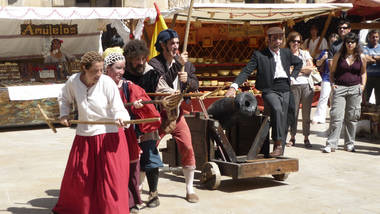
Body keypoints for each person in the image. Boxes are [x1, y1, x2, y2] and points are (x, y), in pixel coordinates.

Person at [52, 51, 131, 214]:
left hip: (108, 136)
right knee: (81, 179)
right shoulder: (73, 81)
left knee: (109, 181)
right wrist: (64, 115)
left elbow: (118, 106)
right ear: (84, 69)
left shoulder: (107, 82)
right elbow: (64, 98)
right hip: (85, 136)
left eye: (101, 70)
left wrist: (120, 117)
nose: (99, 74)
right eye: (95, 71)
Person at [225, 26, 303, 157]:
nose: (277, 42)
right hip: (270, 89)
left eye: (280, 39)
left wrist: (294, 76)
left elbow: (299, 63)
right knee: (277, 110)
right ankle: (278, 144)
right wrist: (234, 86)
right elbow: (246, 71)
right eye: (274, 39)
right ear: (268, 40)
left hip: (285, 87)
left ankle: (280, 151)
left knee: (287, 117)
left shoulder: (286, 53)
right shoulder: (259, 55)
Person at [103, 47, 161, 213]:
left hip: (127, 133)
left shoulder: (129, 86)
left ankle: (133, 200)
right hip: (105, 133)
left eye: (123, 68)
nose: (122, 71)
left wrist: (138, 107)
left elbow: (148, 108)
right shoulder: (99, 86)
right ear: (108, 69)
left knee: (132, 167)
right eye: (118, 68)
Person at [148, 29, 200, 203]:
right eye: (172, 43)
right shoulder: (154, 63)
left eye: (177, 43)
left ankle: (189, 189)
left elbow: (195, 84)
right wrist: (178, 65)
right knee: (149, 147)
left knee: (187, 147)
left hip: (177, 114)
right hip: (159, 114)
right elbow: (160, 83)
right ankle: (142, 187)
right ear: (163, 45)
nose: (176, 46)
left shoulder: (186, 63)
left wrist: (187, 80)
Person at [122, 39, 165, 208]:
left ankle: (153, 193)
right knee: (128, 160)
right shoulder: (121, 74)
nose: (140, 62)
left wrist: (167, 96)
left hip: (147, 122)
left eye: (142, 58)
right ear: (128, 58)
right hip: (126, 123)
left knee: (151, 157)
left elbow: (161, 91)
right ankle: (131, 195)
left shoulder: (152, 73)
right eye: (136, 59)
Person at [322, 32, 367, 153]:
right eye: (348, 42)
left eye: (352, 42)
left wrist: (362, 86)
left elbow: (363, 72)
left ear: (356, 43)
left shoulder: (361, 56)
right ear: (345, 43)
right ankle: (331, 144)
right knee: (336, 116)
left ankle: (349, 144)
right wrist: (332, 84)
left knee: (352, 117)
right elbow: (332, 72)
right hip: (340, 87)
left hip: (354, 88)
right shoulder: (339, 55)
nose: (350, 44)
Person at [286, 31, 315, 148]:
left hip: (306, 85)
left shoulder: (305, 53)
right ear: (289, 42)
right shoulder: (285, 54)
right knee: (293, 113)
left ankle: (306, 137)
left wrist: (296, 69)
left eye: (298, 41)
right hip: (293, 85)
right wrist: (304, 69)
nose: (296, 43)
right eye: (294, 41)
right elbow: (286, 70)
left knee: (306, 113)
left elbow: (311, 68)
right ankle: (292, 137)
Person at [312, 33, 339, 124]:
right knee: (324, 97)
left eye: (335, 42)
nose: (333, 44)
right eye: (331, 42)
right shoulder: (325, 52)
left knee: (337, 99)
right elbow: (318, 64)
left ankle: (336, 118)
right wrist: (323, 58)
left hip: (338, 79)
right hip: (326, 77)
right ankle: (319, 117)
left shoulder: (340, 52)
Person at [363, 30, 380, 105]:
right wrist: (377, 58)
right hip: (367, 77)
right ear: (369, 38)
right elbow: (364, 59)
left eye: (376, 37)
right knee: (365, 100)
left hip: (379, 77)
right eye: (373, 37)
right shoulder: (365, 48)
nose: (375, 39)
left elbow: (368, 58)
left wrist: (371, 57)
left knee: (379, 100)